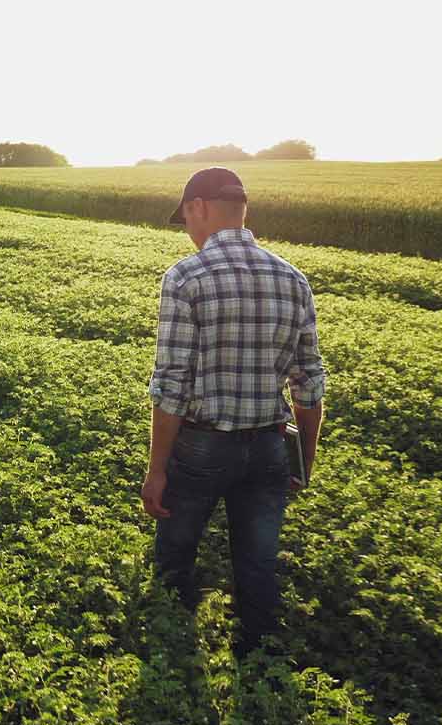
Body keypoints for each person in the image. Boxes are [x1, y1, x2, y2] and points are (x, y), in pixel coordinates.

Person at [139, 166, 326, 660]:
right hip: (269, 445)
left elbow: (172, 384)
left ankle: (173, 657)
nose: (187, 231)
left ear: (198, 207)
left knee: (176, 554)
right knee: (258, 563)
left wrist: (157, 469)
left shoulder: (186, 276)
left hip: (202, 446)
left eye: (185, 219)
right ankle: (256, 662)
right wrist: (300, 462)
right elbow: (309, 383)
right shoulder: (293, 278)